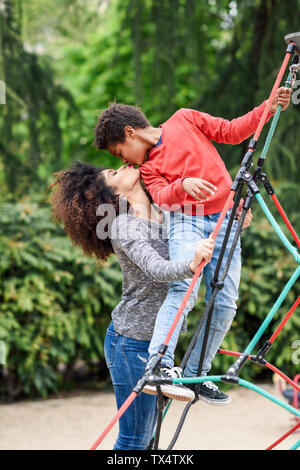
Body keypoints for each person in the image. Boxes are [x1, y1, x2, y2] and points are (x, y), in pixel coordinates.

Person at [93, 87, 292, 405]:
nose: (124, 161)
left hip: (226, 219)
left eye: (119, 153)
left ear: (130, 134)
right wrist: (181, 185)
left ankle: (197, 371)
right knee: (184, 287)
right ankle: (159, 365)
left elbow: (230, 131)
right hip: (187, 220)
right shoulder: (147, 168)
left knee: (226, 303)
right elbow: (161, 196)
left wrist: (267, 107)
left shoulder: (184, 119)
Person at [48, 161, 215, 450]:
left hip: (159, 345)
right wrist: (190, 264)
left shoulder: (165, 214)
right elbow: (155, 268)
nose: (123, 166)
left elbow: (205, 227)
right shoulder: (124, 225)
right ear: (112, 196)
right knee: (135, 439)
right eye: (114, 173)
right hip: (130, 344)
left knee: (150, 438)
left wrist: (235, 218)